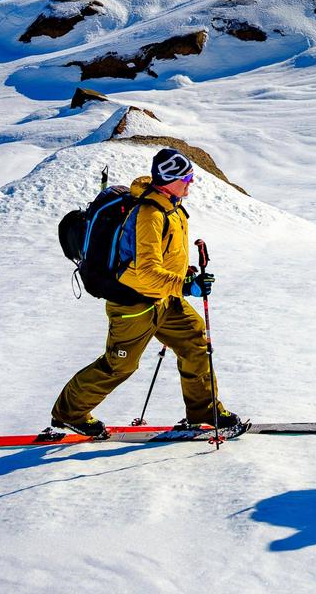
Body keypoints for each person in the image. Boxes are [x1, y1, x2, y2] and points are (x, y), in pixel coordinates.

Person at [50, 147, 236, 438]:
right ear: (168, 178)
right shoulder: (150, 214)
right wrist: (185, 286)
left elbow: (160, 257)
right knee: (119, 364)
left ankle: (204, 411)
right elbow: (142, 272)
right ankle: (69, 413)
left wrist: (185, 275)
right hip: (133, 304)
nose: (191, 182)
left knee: (195, 341)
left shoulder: (171, 206)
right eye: (186, 177)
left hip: (164, 299)